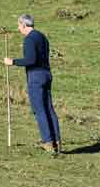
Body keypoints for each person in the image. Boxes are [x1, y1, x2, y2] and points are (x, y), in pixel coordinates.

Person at [3, 14, 61, 154]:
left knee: (39, 110)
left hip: (36, 76)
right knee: (49, 109)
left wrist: (12, 62)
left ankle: (47, 142)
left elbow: (30, 60)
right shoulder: (42, 37)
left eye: (18, 26)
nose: (18, 29)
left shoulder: (29, 39)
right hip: (47, 74)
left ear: (24, 25)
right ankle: (57, 142)